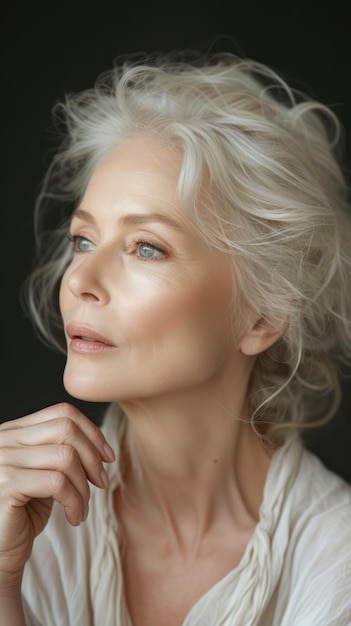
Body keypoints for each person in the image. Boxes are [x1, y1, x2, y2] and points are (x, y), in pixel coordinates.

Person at [1, 49, 351, 626]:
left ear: (262, 315)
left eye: (146, 247)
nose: (80, 280)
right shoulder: (23, 518)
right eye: (84, 240)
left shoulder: (331, 564)